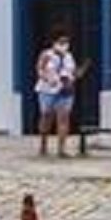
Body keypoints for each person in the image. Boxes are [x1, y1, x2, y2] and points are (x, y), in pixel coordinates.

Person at [35, 30, 77, 158]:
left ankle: (61, 149)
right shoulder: (46, 55)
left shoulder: (69, 57)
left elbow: (73, 72)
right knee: (46, 117)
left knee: (63, 117)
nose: (64, 45)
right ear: (54, 42)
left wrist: (71, 79)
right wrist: (49, 79)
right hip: (48, 90)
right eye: (61, 42)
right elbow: (40, 69)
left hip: (65, 90)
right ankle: (43, 146)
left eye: (66, 42)